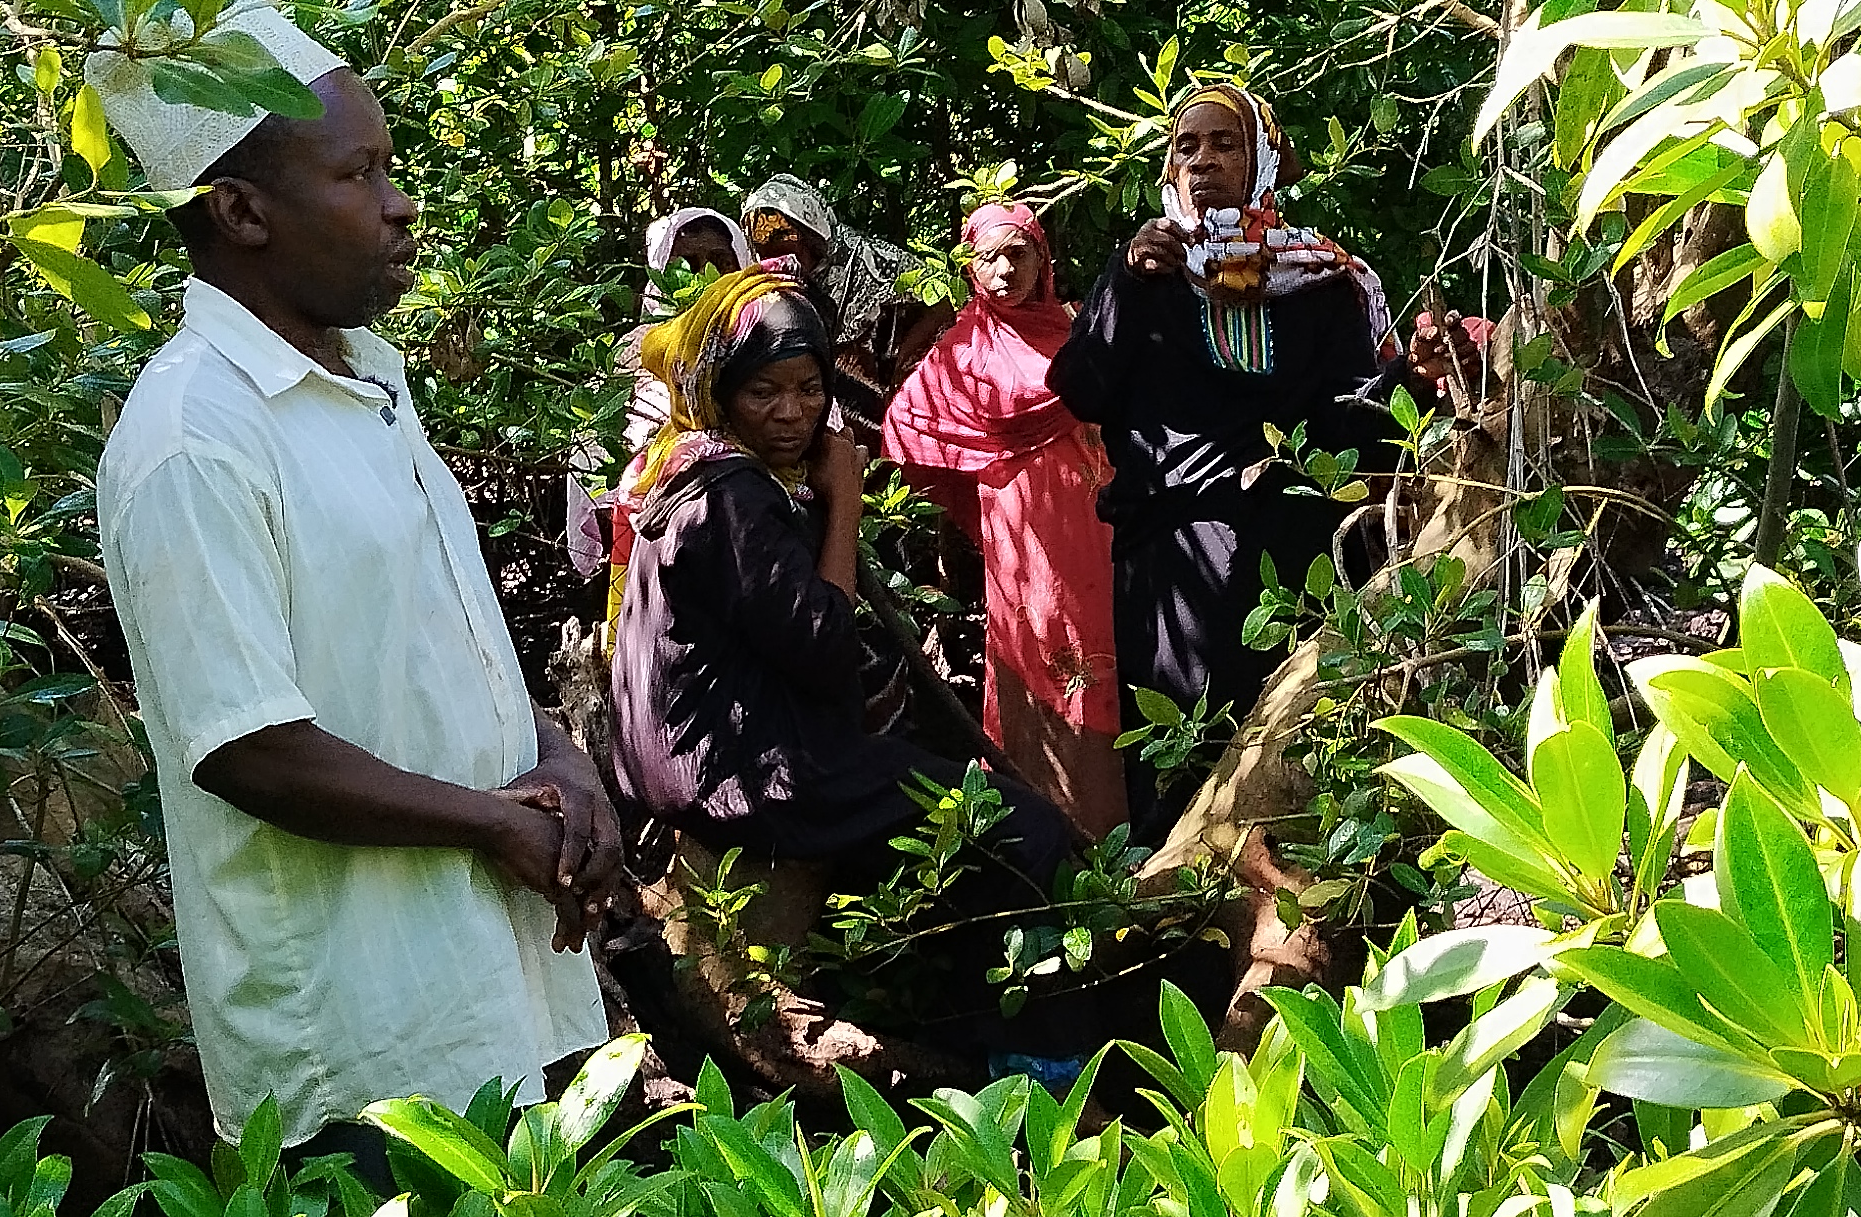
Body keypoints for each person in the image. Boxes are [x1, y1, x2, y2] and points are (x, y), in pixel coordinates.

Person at [88, 0, 627, 1161]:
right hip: (365, 1048)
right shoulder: (195, 437)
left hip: (504, 996)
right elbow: (248, 745)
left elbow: (420, 649)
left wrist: (554, 753)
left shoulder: (370, 386)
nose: (400, 206)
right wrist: (491, 824)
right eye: (360, 174)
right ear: (240, 212)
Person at [603, 268, 1079, 1077]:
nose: (791, 415)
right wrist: (847, 496)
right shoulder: (732, 493)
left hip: (696, 759)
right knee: (1021, 833)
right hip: (745, 770)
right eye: (763, 392)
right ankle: (1031, 1062)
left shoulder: (676, 466)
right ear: (720, 390)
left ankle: (950, 1023)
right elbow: (822, 643)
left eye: (808, 390)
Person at [1048, 83, 1421, 832]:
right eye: (1187, 146)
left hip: (1293, 547)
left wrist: (1419, 376)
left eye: (1225, 143)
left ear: (1262, 161)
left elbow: (1360, 419)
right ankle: (1180, 919)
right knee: (1180, 756)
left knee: (1291, 744)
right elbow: (1082, 389)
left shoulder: (1321, 280)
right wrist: (1123, 281)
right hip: (1174, 552)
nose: (1204, 160)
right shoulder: (1146, 275)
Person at [881, 202, 1131, 839]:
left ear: (1042, 260)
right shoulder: (961, 351)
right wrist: (976, 475)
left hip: (1100, 525)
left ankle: (1119, 827)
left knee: (1109, 659)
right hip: (1024, 538)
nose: (1003, 271)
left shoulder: (1078, 328)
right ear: (968, 267)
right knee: (1044, 657)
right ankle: (1053, 834)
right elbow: (905, 427)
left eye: (1017, 254)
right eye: (988, 258)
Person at [573, 207, 746, 575]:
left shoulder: (764, 339)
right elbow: (592, 456)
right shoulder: (635, 352)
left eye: (719, 261)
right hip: (648, 546)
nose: (706, 277)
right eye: (688, 264)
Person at [738, 176, 933, 424]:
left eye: (785, 234)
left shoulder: (873, 262)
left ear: (811, 233)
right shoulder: (769, 288)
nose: (777, 247)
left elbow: (938, 303)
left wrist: (904, 366)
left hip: (906, 398)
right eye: (765, 239)